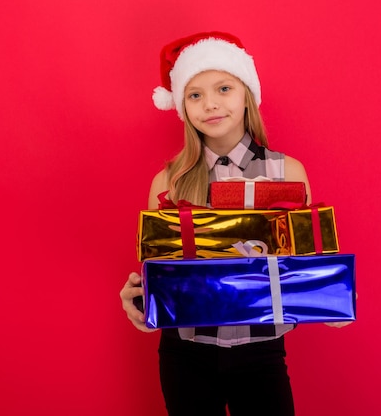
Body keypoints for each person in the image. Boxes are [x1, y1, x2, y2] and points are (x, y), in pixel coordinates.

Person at [119, 31, 353, 416]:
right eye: (195, 94)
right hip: (185, 355)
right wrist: (141, 301)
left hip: (262, 354)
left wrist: (331, 297)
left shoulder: (287, 172)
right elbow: (158, 273)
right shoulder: (168, 181)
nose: (210, 103)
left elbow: (305, 264)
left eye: (223, 88)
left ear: (246, 93)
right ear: (182, 105)